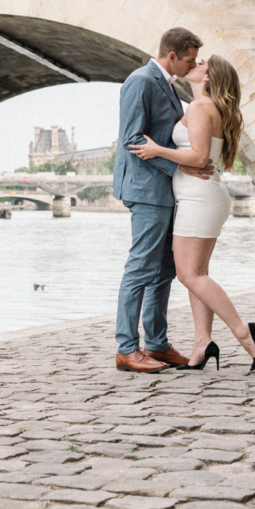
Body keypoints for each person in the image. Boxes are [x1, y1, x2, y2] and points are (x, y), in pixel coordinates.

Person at [128, 55, 255, 372]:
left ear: (208, 78)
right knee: (198, 277)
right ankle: (201, 345)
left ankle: (244, 333)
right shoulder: (207, 108)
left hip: (199, 198)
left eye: (202, 63)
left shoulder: (199, 108)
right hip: (204, 197)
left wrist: (157, 150)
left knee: (189, 275)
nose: (194, 63)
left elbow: (196, 156)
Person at [111, 27, 212, 372]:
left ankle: (156, 344)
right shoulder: (141, 81)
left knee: (165, 269)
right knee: (141, 268)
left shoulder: (167, 84)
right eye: (189, 59)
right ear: (172, 56)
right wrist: (179, 168)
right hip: (146, 189)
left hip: (164, 189)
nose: (193, 64)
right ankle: (126, 348)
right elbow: (132, 139)